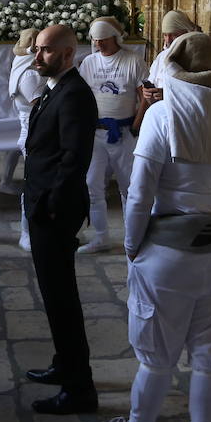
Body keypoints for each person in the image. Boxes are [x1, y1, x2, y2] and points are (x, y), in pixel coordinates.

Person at [87, 33, 211, 422]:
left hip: (167, 251)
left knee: (156, 353)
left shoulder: (164, 114)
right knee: (208, 350)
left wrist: (131, 245)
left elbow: (139, 194)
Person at [22, 24, 99, 414]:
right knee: (54, 297)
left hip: (54, 211)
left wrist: (52, 206)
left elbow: (74, 160)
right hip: (43, 206)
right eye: (37, 49)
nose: (38, 57)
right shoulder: (56, 90)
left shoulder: (75, 96)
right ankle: (64, 363)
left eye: (46, 51)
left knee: (62, 298)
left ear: (68, 54)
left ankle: (79, 388)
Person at [78, 16, 146, 254]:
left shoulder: (133, 61)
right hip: (95, 133)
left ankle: (133, 237)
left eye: (103, 40)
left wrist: (136, 126)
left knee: (130, 187)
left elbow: (144, 96)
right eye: (95, 41)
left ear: (115, 38)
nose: (99, 45)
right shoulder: (88, 62)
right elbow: (83, 95)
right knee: (91, 184)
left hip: (124, 132)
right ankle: (100, 236)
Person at [2, 27, 46, 251]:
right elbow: (41, 106)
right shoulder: (28, 75)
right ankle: (25, 232)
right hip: (33, 134)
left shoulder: (28, 69)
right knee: (33, 185)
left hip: (37, 132)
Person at [134, 9, 198, 131]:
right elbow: (150, 90)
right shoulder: (161, 57)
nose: (168, 40)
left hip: (185, 122)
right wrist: (149, 95)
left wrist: (168, 95)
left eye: (174, 34)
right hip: (160, 119)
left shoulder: (196, 58)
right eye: (165, 35)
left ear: (186, 33)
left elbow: (198, 94)